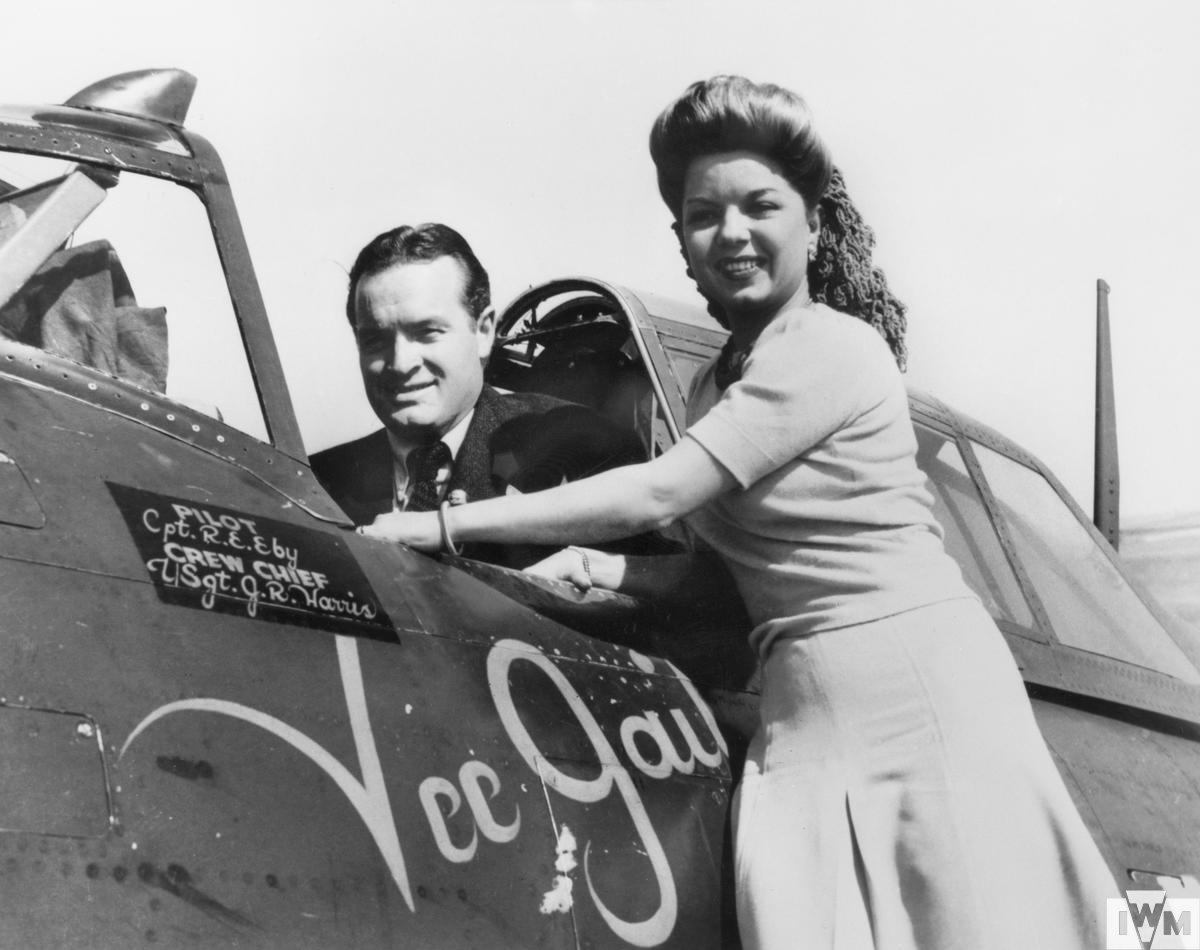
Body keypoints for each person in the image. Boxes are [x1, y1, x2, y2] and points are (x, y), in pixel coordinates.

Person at [358, 77, 1118, 948]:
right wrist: (602, 567)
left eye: (760, 205)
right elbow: (728, 578)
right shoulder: (716, 384)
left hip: (917, 691)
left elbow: (659, 491)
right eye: (703, 214)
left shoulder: (831, 348)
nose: (731, 234)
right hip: (802, 702)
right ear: (681, 241)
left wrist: (440, 527)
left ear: (814, 223)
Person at [310, 222, 645, 568]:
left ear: (483, 332)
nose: (400, 363)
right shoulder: (313, 482)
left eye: (427, 332)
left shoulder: (586, 452)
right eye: (374, 340)